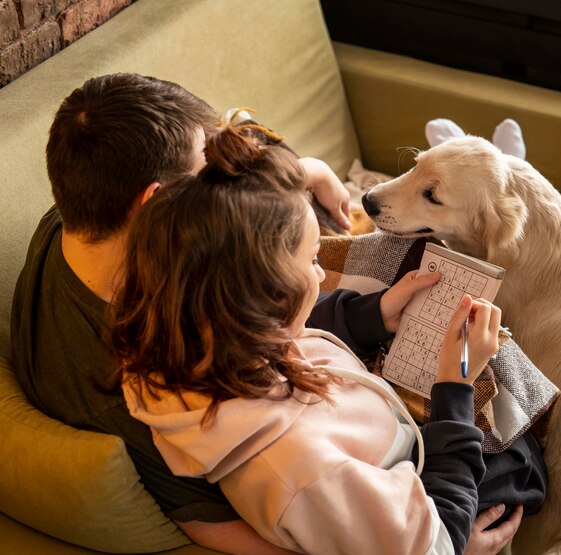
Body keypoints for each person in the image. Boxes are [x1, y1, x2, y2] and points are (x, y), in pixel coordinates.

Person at [10, 73, 526, 554]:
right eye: (209, 168)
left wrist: (307, 175)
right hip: (406, 489)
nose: (225, 176)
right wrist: (448, 543)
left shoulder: (84, 216)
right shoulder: (123, 382)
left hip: (365, 413)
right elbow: (236, 524)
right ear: (159, 205)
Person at [109, 121, 511, 555]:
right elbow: (430, 544)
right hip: (435, 499)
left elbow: (298, 336)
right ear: (263, 297)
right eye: (314, 259)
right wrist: (456, 384)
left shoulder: (199, 340)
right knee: (524, 453)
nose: (322, 275)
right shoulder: (307, 471)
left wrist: (369, 316)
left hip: (402, 447)